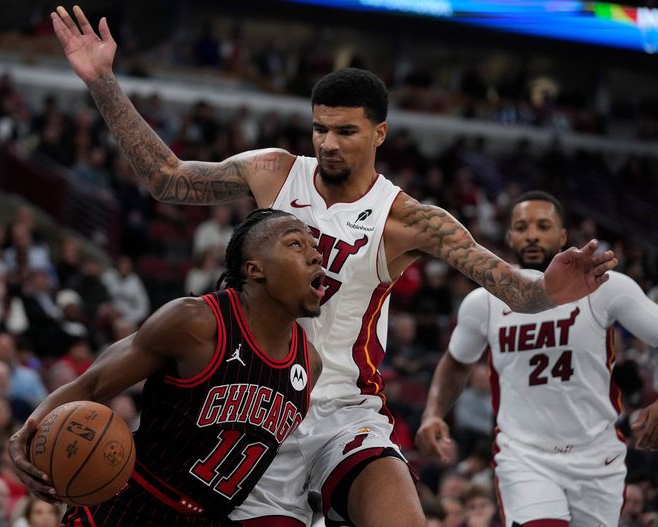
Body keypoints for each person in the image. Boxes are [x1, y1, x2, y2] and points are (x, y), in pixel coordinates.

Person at [50, 8, 618, 526]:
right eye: (320, 128)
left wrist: (550, 291)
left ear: (380, 134)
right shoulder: (273, 171)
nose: (328, 143)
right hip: (259, 407)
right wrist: (102, 81)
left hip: (346, 408)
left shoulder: (409, 220)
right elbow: (166, 178)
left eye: (345, 131)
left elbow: (512, 289)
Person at [9, 209, 323, 526]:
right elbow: (91, 384)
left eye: (314, 245)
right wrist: (29, 429)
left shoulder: (309, 364)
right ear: (256, 269)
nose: (316, 255)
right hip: (129, 506)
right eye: (296, 244)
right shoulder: (195, 322)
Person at [415, 191, 658, 527]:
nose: (531, 234)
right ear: (510, 236)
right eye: (521, 226)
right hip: (525, 458)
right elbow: (456, 362)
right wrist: (432, 413)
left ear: (562, 236)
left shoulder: (606, 285)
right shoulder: (483, 301)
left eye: (543, 226)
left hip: (596, 457)